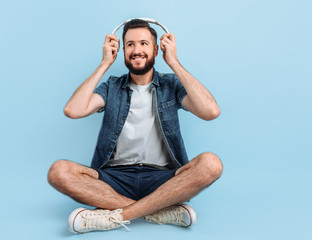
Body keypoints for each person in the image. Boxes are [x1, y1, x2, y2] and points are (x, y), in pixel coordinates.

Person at [47, 19, 223, 234]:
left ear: (157, 49)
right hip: (113, 179)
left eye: (143, 44)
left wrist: (174, 62)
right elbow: (72, 110)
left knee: (211, 164)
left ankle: (117, 215)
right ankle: (158, 210)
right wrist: (104, 64)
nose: (136, 50)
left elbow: (211, 112)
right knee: (59, 172)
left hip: (164, 179)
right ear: (122, 50)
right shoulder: (112, 86)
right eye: (130, 44)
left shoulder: (171, 85)